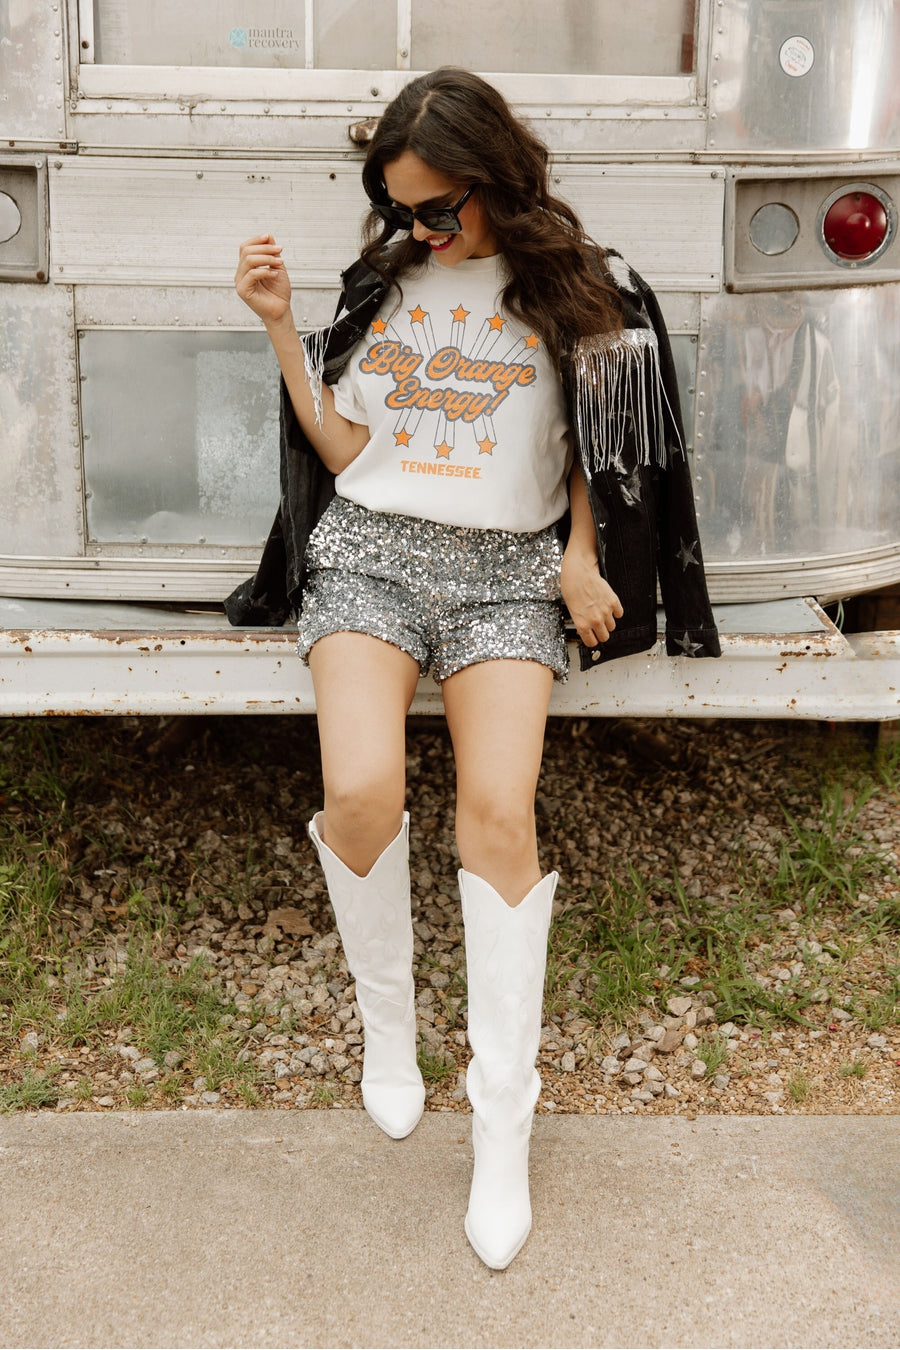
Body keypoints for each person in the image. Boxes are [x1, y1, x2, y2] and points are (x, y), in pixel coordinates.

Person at [232, 67, 720, 1270]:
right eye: (399, 210)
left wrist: (581, 556)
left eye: (437, 209)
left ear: (494, 179)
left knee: (500, 816)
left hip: (510, 573)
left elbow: (598, 453)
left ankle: (504, 1121)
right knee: (361, 792)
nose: (419, 230)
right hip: (373, 557)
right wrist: (284, 327)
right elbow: (346, 448)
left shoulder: (585, 289)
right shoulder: (384, 285)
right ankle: (389, 1031)